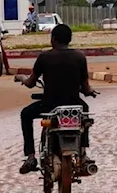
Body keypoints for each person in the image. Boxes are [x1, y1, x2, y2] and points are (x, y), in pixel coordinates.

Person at [15, 24, 96, 174]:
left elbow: (31, 82)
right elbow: (86, 88)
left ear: (53, 39)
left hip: (49, 106)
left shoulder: (44, 57)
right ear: (69, 39)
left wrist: (22, 78)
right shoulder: (79, 57)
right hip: (73, 106)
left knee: (25, 114)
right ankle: (83, 153)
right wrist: (91, 92)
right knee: (85, 113)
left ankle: (31, 156)